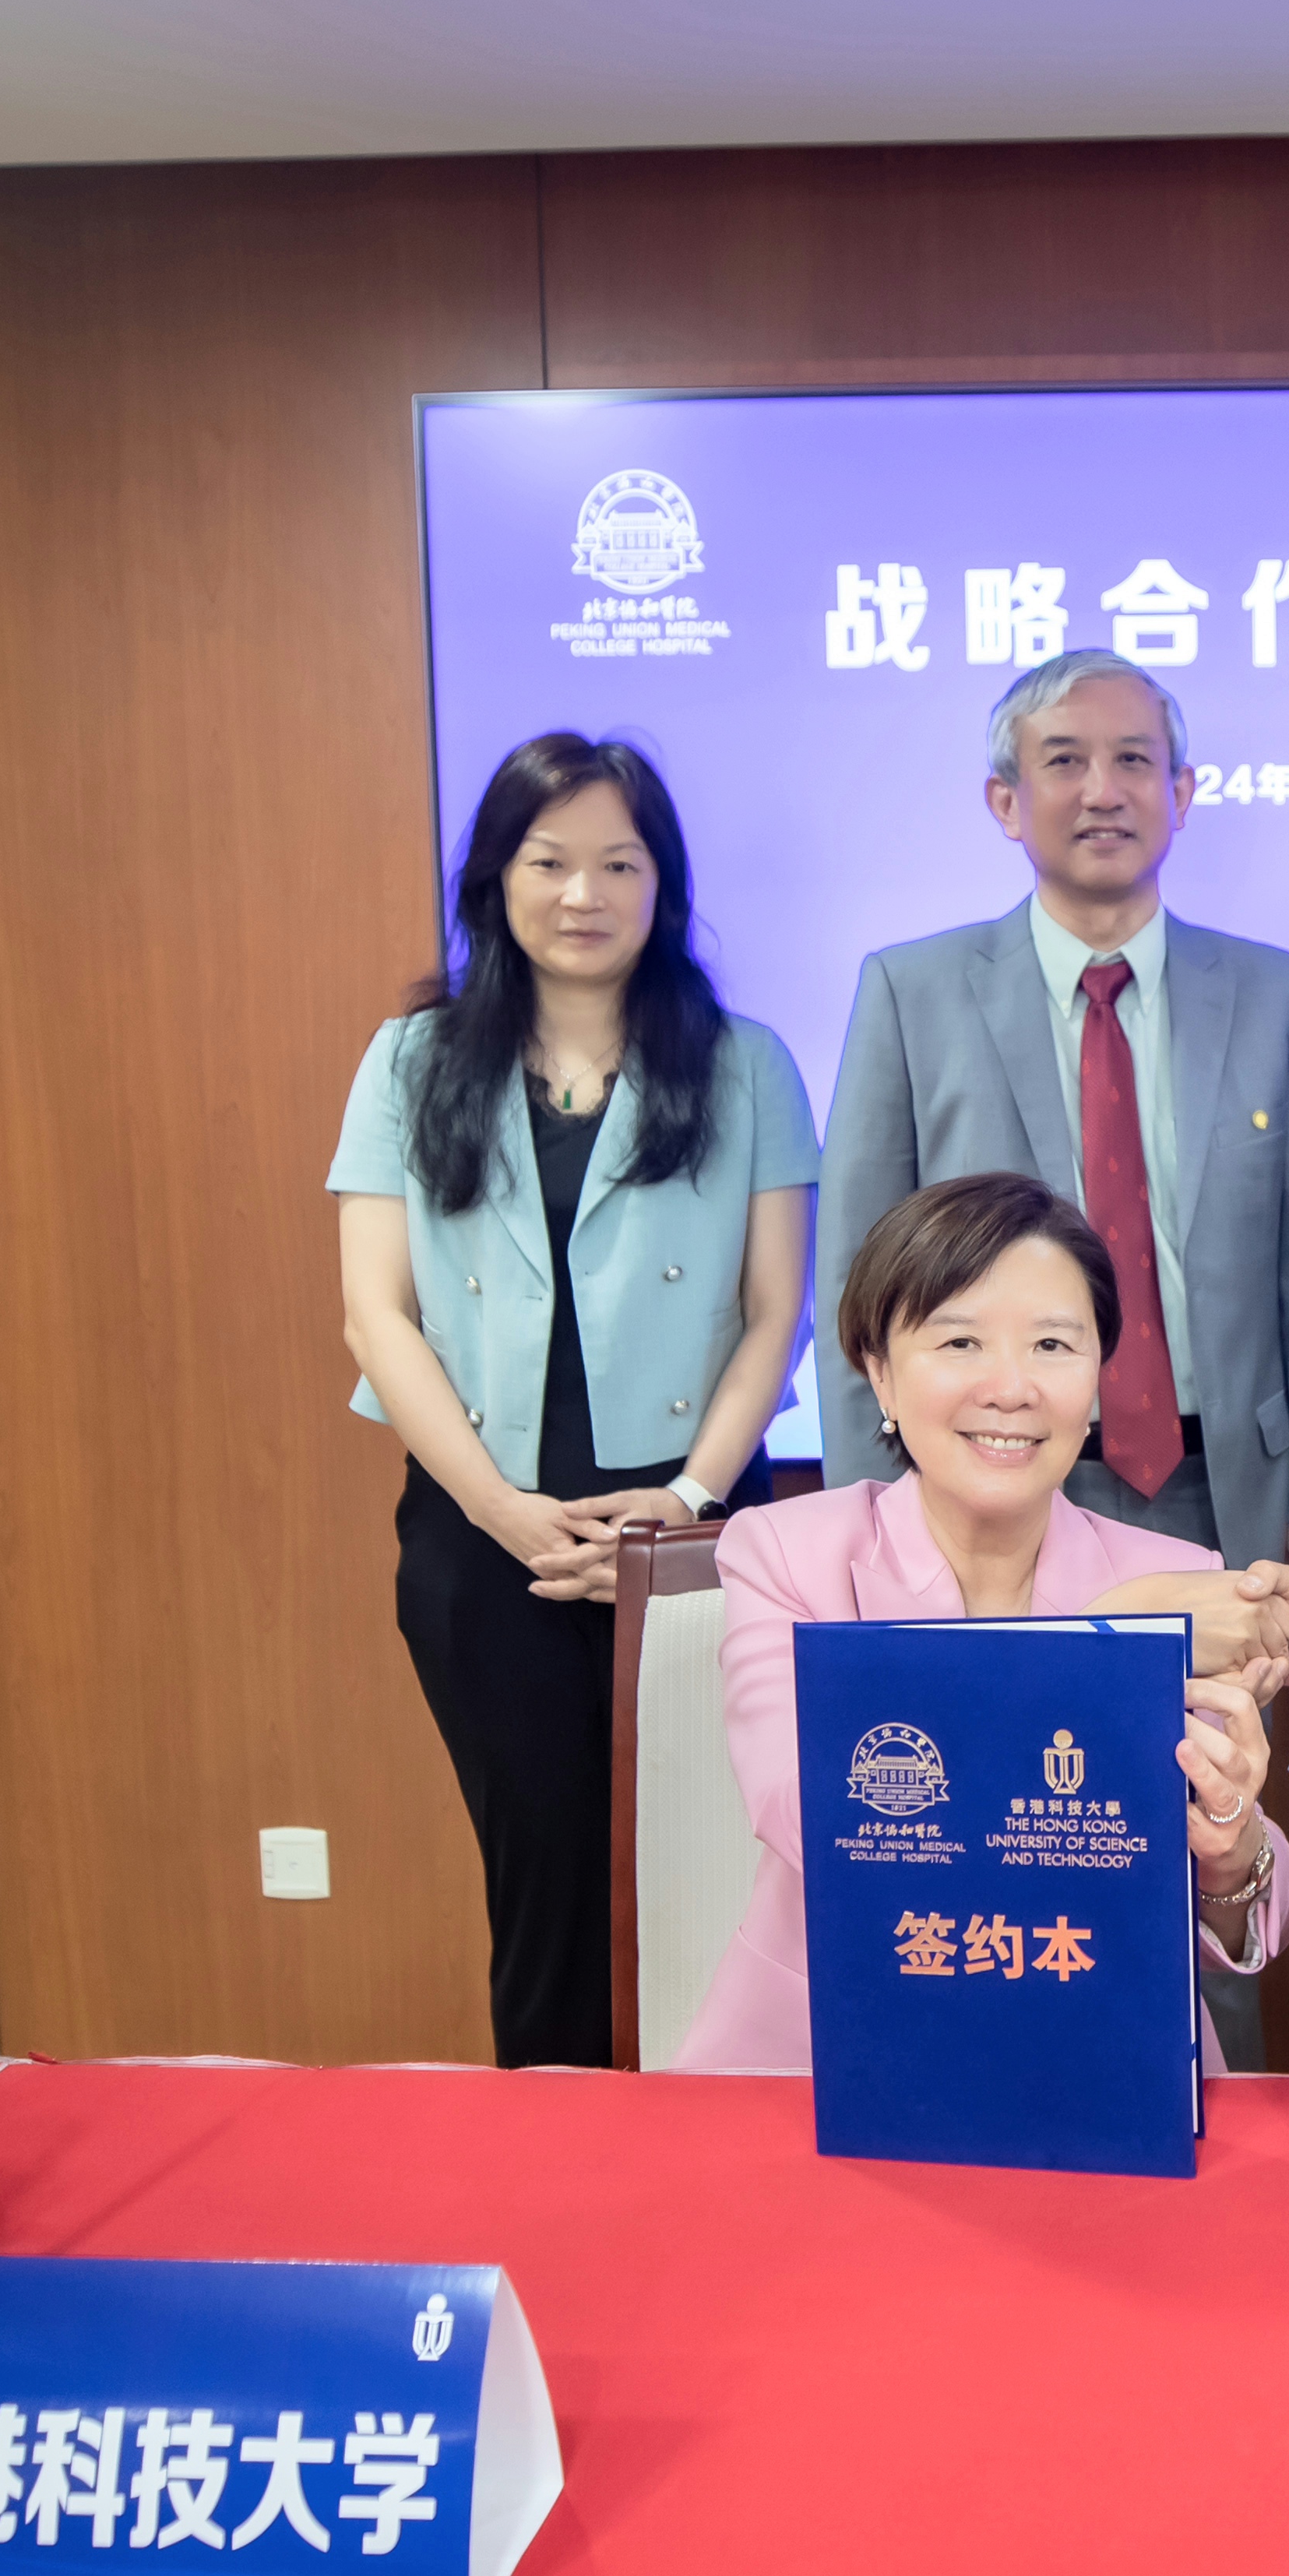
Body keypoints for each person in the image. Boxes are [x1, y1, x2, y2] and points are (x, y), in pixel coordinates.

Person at [331, 731, 819, 2068]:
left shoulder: (744, 1064)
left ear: (663, 885)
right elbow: (376, 1313)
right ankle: (557, 2164)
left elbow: (776, 1311)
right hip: (484, 1539)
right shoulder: (410, 1060)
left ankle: (710, 2163)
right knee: (542, 1887)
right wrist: (500, 1512)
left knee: (710, 1881)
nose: (583, 894)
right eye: (548, 862)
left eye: (619, 863)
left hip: (695, 1533)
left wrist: (683, 1506)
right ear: (495, 878)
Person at [675, 1174, 1289, 2072]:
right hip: (829, 2053)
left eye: (1053, 1343)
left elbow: (1263, 1917)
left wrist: (1229, 1845)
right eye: (960, 1341)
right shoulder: (786, 1552)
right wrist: (1106, 1638)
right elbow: (823, 1819)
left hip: (1100, 2053)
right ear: (879, 1371)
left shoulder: (1178, 1574)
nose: (1011, 1387)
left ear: (1097, 1374)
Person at [813, 649, 1289, 1593]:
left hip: (1229, 1489)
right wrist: (864, 1510)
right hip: (980, 1483)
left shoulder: (1277, 996)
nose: (1103, 790)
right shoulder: (912, 992)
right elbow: (853, 1283)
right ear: (1006, 800)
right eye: (1065, 760)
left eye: (1134, 760)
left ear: (1181, 793)